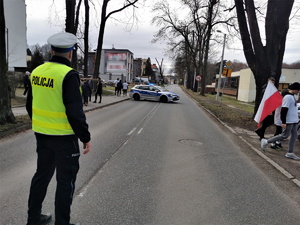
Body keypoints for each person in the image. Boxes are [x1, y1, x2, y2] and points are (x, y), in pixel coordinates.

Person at [25, 32, 91, 225]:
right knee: (65, 182)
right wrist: (85, 137)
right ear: (70, 53)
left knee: (41, 177)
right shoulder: (68, 75)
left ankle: (33, 219)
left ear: (52, 50)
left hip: (42, 136)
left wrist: (39, 124)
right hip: (64, 139)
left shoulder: (37, 71)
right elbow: (75, 113)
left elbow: (30, 105)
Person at [261, 82, 300, 160]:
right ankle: (266, 141)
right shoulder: (288, 97)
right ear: (295, 89)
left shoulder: (291, 97)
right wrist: (284, 122)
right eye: (298, 90)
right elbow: (284, 110)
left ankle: (290, 152)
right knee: (284, 135)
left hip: (294, 120)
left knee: (294, 136)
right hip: (289, 121)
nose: (298, 92)